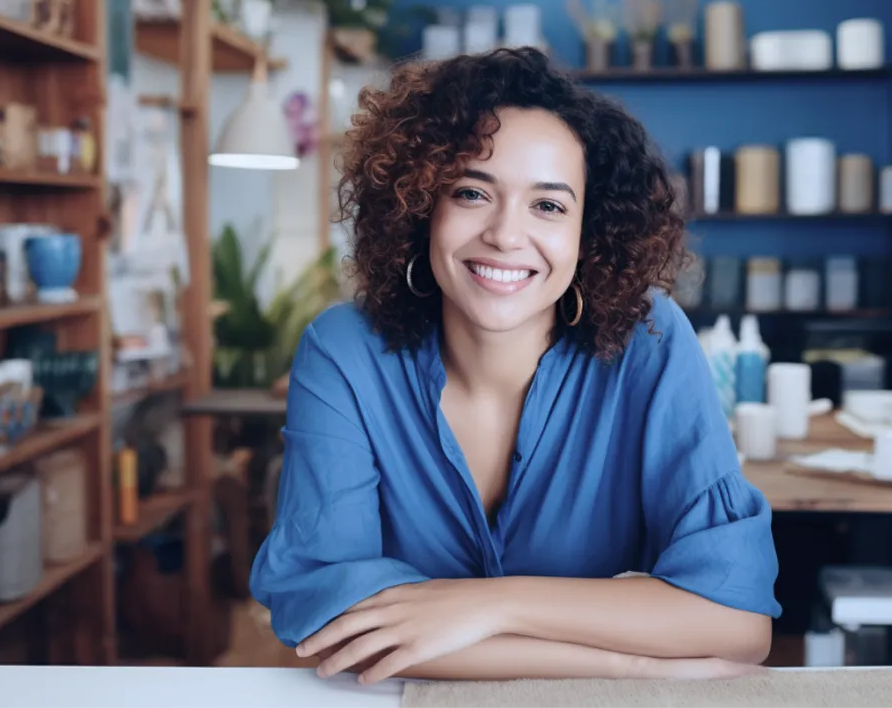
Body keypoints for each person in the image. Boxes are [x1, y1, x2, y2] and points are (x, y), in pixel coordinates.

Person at [250, 47, 781, 684]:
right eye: (472, 192)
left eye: (548, 206)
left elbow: (736, 619)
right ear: (421, 207)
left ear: (589, 232)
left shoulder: (650, 341)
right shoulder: (344, 351)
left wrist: (488, 606)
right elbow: (332, 622)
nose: (505, 234)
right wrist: (632, 664)